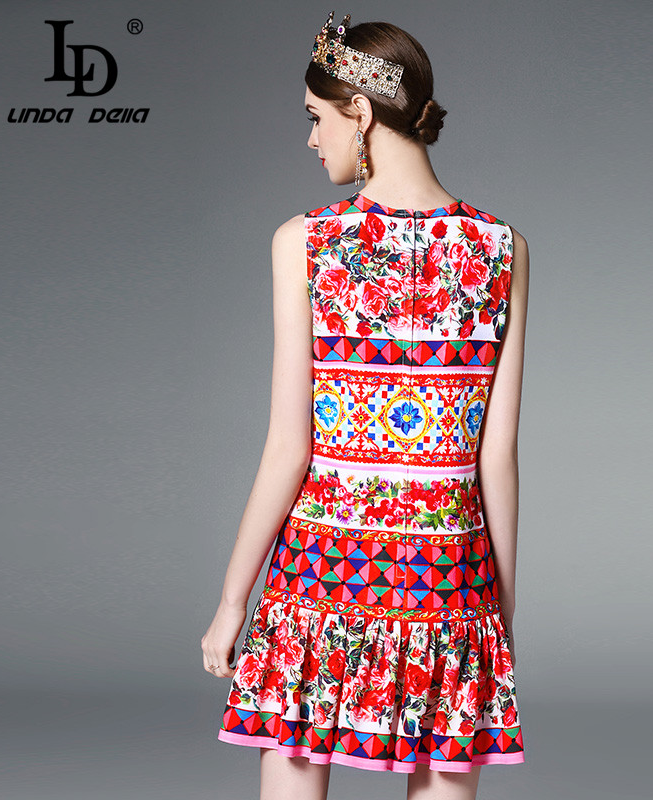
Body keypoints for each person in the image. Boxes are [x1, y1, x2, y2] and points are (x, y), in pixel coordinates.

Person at [201, 11, 530, 800]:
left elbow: (289, 446)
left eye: (316, 118)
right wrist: (500, 616)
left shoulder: (305, 242)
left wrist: (231, 601)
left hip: (319, 575)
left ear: (361, 111)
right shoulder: (502, 248)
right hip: (449, 581)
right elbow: (496, 456)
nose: (311, 140)